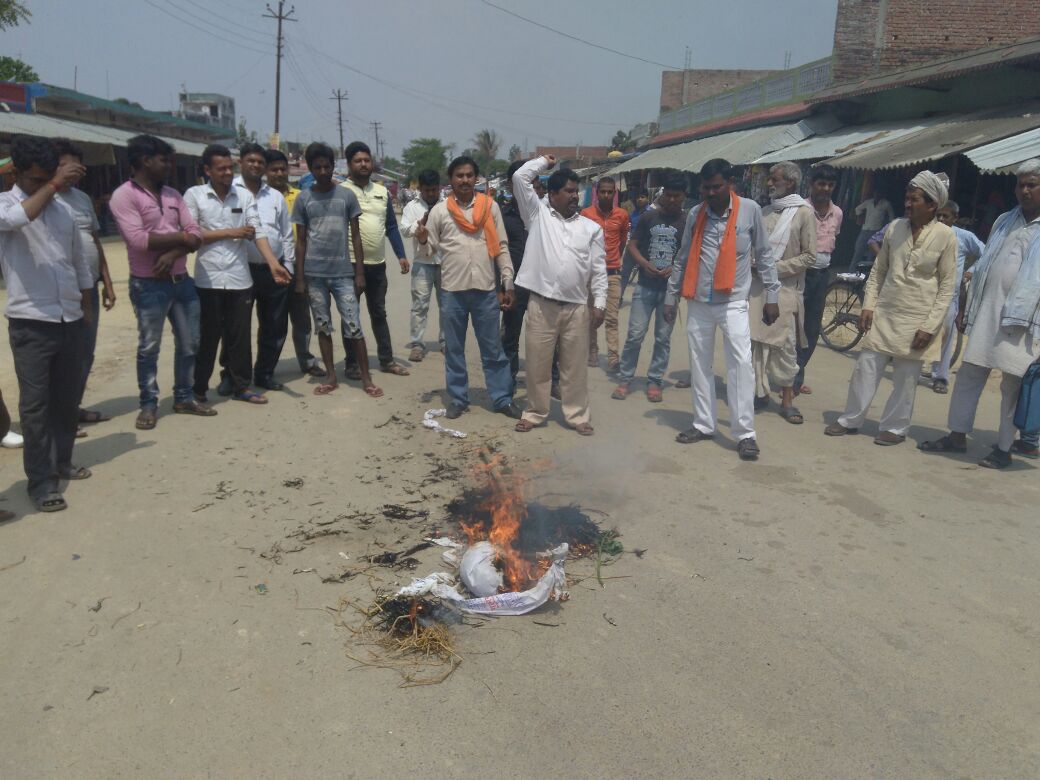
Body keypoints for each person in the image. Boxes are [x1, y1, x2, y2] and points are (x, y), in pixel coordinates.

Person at [919, 160, 1040, 468]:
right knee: (970, 374)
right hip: (987, 312)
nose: (1024, 191)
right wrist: (967, 304)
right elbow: (986, 261)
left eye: (1032, 184)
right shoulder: (1004, 219)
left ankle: (1002, 449)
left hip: (1025, 323)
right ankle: (957, 436)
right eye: (1021, 184)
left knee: (1012, 386)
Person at [825, 171, 957, 445]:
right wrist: (868, 306)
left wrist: (930, 326)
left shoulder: (946, 237)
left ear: (932, 205)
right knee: (866, 367)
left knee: (906, 377)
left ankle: (895, 428)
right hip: (885, 311)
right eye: (907, 199)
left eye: (915, 200)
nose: (908, 204)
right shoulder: (895, 228)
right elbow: (879, 271)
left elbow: (946, 287)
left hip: (918, 317)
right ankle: (851, 418)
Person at [663, 158, 780, 461]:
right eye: (705, 188)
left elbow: (764, 255)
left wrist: (772, 296)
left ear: (730, 184)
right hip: (699, 301)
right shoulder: (695, 214)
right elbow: (684, 256)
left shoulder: (750, 210)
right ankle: (703, 424)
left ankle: (745, 434)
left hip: (733, 303)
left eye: (716, 187)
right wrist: (671, 296)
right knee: (699, 364)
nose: (710, 193)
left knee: (739, 366)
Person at [0, 135, 93, 512]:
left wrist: (85, 313)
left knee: (66, 401)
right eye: (37, 180)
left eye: (48, 178)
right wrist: (53, 185)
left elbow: (79, 265)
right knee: (35, 407)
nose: (45, 186)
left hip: (69, 318)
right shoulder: (6, 205)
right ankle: (41, 482)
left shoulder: (63, 212)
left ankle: (62, 461)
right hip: (30, 322)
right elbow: (20, 217)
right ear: (17, 173)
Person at [110, 134, 212, 430]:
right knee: (149, 347)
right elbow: (139, 240)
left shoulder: (172, 195)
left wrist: (177, 251)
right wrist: (183, 238)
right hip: (148, 284)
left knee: (190, 343)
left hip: (182, 281)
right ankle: (149, 404)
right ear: (145, 161)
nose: (169, 165)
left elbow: (197, 232)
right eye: (164, 160)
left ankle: (183, 397)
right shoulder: (124, 196)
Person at [414, 155, 521, 420]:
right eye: (459, 175)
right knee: (454, 348)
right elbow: (428, 252)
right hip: (452, 291)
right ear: (450, 180)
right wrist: (423, 239)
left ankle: (502, 398)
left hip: (485, 290)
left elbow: (502, 248)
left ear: (476, 178)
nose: (464, 180)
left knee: (493, 350)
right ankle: (458, 399)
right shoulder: (440, 212)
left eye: (469, 175)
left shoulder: (489, 207)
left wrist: (507, 281)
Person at [185, 144, 290, 406]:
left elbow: (257, 232)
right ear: (207, 170)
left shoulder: (243, 198)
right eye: (220, 169)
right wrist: (230, 233)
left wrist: (273, 263)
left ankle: (242, 386)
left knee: (239, 336)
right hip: (207, 278)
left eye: (228, 169)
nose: (227, 173)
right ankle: (198, 390)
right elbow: (190, 235)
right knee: (208, 337)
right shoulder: (195, 195)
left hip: (239, 277)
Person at [512, 156, 606, 435]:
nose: (574, 196)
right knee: (538, 364)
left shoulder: (591, 228)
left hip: (577, 308)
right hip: (541, 305)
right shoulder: (536, 214)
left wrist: (599, 303)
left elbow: (599, 270)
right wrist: (544, 161)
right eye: (568, 191)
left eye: (576, 191)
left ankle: (577, 416)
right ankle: (534, 412)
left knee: (574, 367)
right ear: (551, 194)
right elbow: (520, 177)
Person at [292, 142, 382, 398]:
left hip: (343, 274)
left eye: (327, 166)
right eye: (317, 167)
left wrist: (360, 272)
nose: (323, 171)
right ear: (310, 168)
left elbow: (356, 237)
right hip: (314, 275)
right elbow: (301, 241)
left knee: (354, 326)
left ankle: (366, 379)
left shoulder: (346, 196)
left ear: (334, 167)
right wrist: (300, 279)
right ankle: (331, 375)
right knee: (323, 327)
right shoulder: (304, 198)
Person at [51, 138, 117, 431]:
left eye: (78, 165)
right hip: (61, 290)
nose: (75, 170)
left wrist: (107, 280)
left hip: (88, 285)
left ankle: (71, 408)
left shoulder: (82, 199)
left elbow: (93, 239)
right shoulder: (45, 199)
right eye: (67, 164)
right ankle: (58, 416)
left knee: (85, 351)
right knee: (63, 355)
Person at [751, 162, 816, 424]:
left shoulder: (803, 214)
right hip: (757, 288)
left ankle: (787, 399)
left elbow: (810, 256)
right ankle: (760, 392)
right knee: (755, 343)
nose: (769, 183)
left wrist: (775, 269)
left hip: (787, 289)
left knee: (785, 346)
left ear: (790, 183)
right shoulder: (764, 211)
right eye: (769, 179)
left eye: (774, 179)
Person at [612, 175, 687, 402]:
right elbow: (632, 245)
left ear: (683, 197)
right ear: (662, 195)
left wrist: (675, 269)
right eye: (669, 195)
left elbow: (691, 253)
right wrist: (643, 263)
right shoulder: (648, 218)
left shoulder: (687, 222)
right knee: (635, 335)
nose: (672, 200)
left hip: (670, 292)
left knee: (663, 338)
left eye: (677, 196)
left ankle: (655, 380)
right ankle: (625, 378)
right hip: (645, 286)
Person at [340, 141, 410, 378]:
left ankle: (386, 360)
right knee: (350, 314)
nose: (363, 164)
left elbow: (391, 225)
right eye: (358, 160)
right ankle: (351, 364)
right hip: (349, 264)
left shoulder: (381, 192)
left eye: (366, 160)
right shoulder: (341, 191)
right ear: (349, 164)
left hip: (377, 265)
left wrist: (401, 255)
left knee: (378, 313)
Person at [234, 143, 295, 391]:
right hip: (242, 269)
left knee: (274, 324)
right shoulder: (232, 191)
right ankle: (236, 376)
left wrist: (287, 265)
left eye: (260, 162)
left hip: (275, 270)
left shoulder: (275, 196)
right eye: (251, 161)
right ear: (241, 163)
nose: (256, 166)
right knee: (238, 327)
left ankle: (265, 373)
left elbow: (287, 234)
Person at [264, 149, 324, 378]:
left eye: (282, 169)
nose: (279, 173)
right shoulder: (260, 198)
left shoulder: (301, 196)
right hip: (272, 266)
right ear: (266, 172)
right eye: (274, 169)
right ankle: (267, 366)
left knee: (302, 319)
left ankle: (307, 361)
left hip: (300, 266)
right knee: (273, 321)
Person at [793, 164, 841, 395]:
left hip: (822, 276)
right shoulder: (800, 209)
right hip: (799, 275)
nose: (826, 189)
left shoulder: (838, 213)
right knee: (791, 326)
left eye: (830, 185)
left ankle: (797, 375)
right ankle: (788, 376)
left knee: (811, 329)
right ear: (812, 184)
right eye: (822, 183)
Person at [928, 201, 985, 393]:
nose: (942, 219)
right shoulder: (929, 232)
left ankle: (940, 377)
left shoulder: (963, 236)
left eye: (946, 216)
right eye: (939, 216)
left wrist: (971, 270)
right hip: (925, 293)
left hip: (949, 295)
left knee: (945, 336)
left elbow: (986, 254)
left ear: (955, 218)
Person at [581, 177, 630, 370]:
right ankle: (592, 352)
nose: (606, 195)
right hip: (590, 274)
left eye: (610, 192)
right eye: (603, 192)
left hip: (612, 272)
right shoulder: (586, 214)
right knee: (591, 315)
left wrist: (614, 259)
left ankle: (613, 356)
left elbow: (623, 241)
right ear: (597, 193)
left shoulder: (622, 215)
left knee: (611, 317)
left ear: (615, 194)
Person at [401, 169, 444, 362]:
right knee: (420, 306)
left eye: (434, 190)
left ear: (439, 188)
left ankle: (446, 341)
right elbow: (404, 229)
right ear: (420, 189)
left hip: (446, 263)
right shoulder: (412, 206)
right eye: (427, 190)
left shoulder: (448, 205)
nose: (431, 194)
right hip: (422, 262)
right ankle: (417, 344)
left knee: (447, 305)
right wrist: (418, 226)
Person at [499, 159, 530, 393]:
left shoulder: (545, 214)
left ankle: (553, 380)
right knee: (510, 337)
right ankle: (507, 382)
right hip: (514, 286)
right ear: (511, 185)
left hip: (543, 287)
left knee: (548, 338)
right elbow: (496, 253)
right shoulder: (501, 216)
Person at [850, 190, 895, 270]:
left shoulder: (886, 204)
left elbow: (891, 218)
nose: (877, 194)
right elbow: (857, 209)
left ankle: (866, 275)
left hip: (876, 231)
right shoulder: (868, 202)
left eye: (879, 193)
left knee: (871, 256)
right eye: (876, 193)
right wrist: (860, 217)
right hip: (865, 229)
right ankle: (851, 272)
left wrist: (886, 228)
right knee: (858, 252)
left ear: (882, 194)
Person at [620, 189, 651, 299]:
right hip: (632, 248)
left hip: (645, 250)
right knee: (624, 273)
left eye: (642, 197)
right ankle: (618, 297)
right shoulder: (633, 213)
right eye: (638, 197)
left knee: (645, 275)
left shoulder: (652, 213)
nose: (639, 199)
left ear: (648, 198)